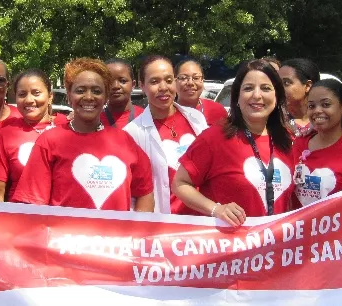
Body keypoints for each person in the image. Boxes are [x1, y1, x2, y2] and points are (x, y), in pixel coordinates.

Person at [11, 58, 154, 212]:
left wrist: (136, 232)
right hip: (63, 235)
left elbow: (145, 192)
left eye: (96, 91)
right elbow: (32, 204)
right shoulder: (49, 141)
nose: (88, 97)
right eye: (80, 90)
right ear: (69, 96)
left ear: (106, 97)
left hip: (116, 236)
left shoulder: (125, 141)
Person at [172, 59, 294, 226]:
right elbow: (180, 184)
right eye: (248, 88)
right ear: (237, 96)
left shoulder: (288, 140)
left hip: (275, 247)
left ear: (277, 96)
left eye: (266, 88)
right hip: (232, 247)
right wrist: (216, 209)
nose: (257, 95)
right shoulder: (214, 138)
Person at [124, 55, 208, 214]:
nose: (163, 87)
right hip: (166, 225)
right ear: (142, 86)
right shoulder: (132, 133)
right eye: (154, 82)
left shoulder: (196, 118)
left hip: (203, 221)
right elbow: (133, 192)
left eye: (169, 80)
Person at [292, 79, 342, 208]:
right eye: (311, 106)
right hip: (296, 227)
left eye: (326, 104)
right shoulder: (298, 144)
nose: (317, 111)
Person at [0, 69, 69, 202]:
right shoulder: (6, 135)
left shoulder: (68, 128)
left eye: (36, 93)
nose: (29, 100)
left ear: (50, 96)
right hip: (21, 216)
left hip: (62, 218)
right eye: (22, 94)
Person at [174, 59, 228, 126]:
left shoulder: (218, 111)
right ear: (174, 81)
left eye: (196, 78)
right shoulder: (165, 113)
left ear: (202, 81)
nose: (190, 83)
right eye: (183, 78)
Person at [278, 58, 320, 137]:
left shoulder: (324, 123)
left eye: (286, 83)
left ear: (307, 86)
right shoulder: (273, 122)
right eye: (277, 83)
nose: (279, 88)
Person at [100, 58, 144, 129]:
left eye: (123, 81)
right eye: (110, 81)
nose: (116, 86)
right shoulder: (94, 122)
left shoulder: (146, 117)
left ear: (133, 85)